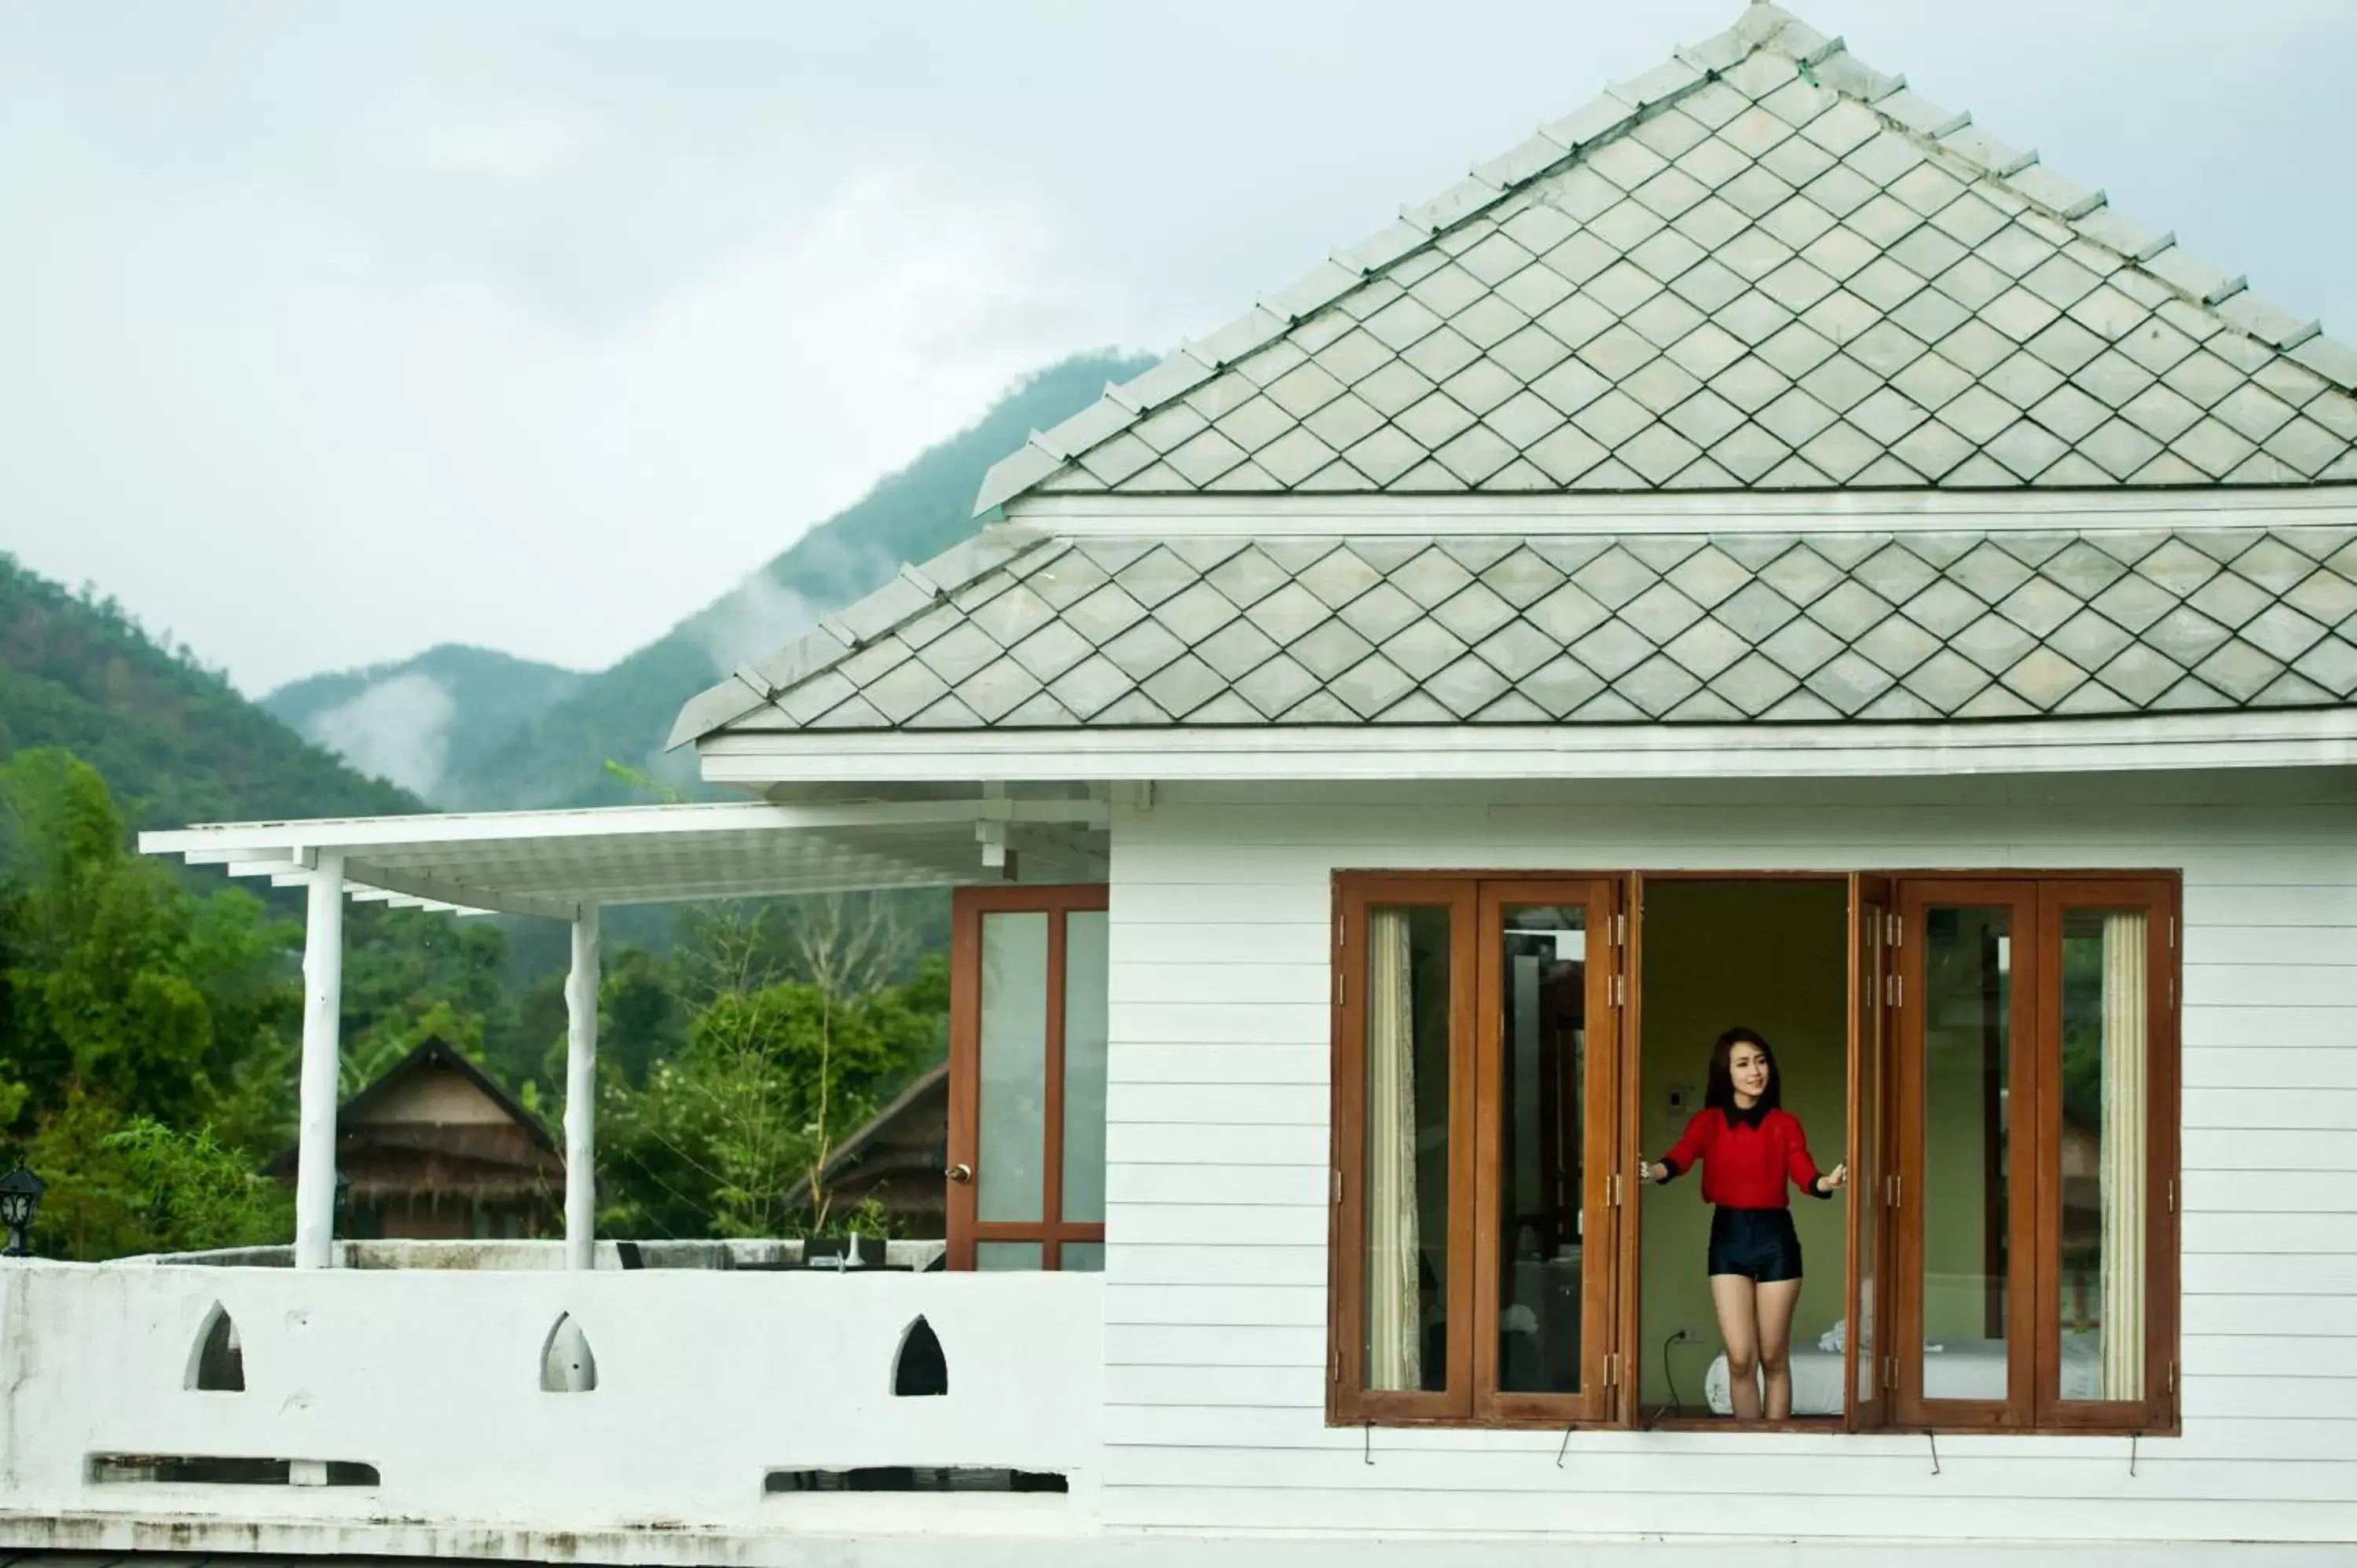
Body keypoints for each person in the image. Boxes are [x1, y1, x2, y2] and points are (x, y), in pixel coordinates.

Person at [1638, 1028, 1845, 1423]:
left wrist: (1825, 1183)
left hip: (1776, 1239)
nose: (1756, 1071)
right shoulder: (1707, 1123)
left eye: (1761, 1061)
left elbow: (1803, 1170)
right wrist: (1653, 1171)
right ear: (1726, 1072)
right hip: (1728, 1238)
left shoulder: (1786, 1124)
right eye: (1744, 1063)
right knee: (1738, 1359)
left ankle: (1775, 1446)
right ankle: (1748, 1448)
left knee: (1772, 1356)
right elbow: (1680, 1156)